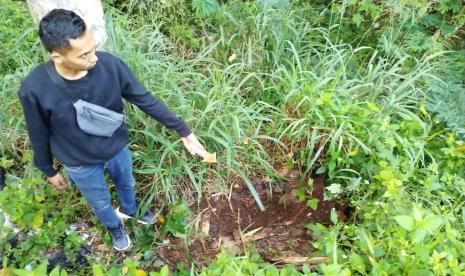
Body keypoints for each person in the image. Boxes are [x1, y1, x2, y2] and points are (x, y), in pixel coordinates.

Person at [18, 9, 206, 251]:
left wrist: (184, 131)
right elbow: (38, 131)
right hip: (79, 161)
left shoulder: (110, 66)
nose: (94, 58)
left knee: (127, 183)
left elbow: (144, 99)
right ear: (58, 57)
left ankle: (130, 209)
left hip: (116, 147)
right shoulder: (35, 88)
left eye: (93, 48)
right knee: (99, 200)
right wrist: (47, 169)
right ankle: (114, 227)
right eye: (84, 54)